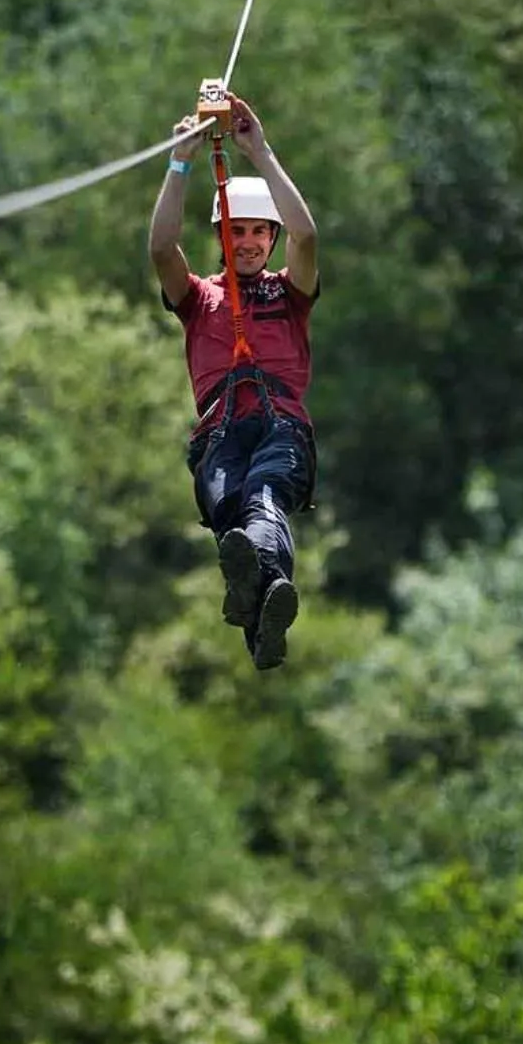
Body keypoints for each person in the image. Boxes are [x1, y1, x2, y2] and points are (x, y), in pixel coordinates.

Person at [148, 93, 319, 670]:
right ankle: (265, 616)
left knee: (262, 500)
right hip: (220, 437)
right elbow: (160, 248)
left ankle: (266, 607)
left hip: (280, 431)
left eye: (257, 232)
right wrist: (179, 165)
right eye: (236, 231)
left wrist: (260, 151)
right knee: (229, 515)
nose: (247, 241)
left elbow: (308, 239)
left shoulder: (288, 295)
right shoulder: (200, 299)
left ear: (270, 239)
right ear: (222, 236)